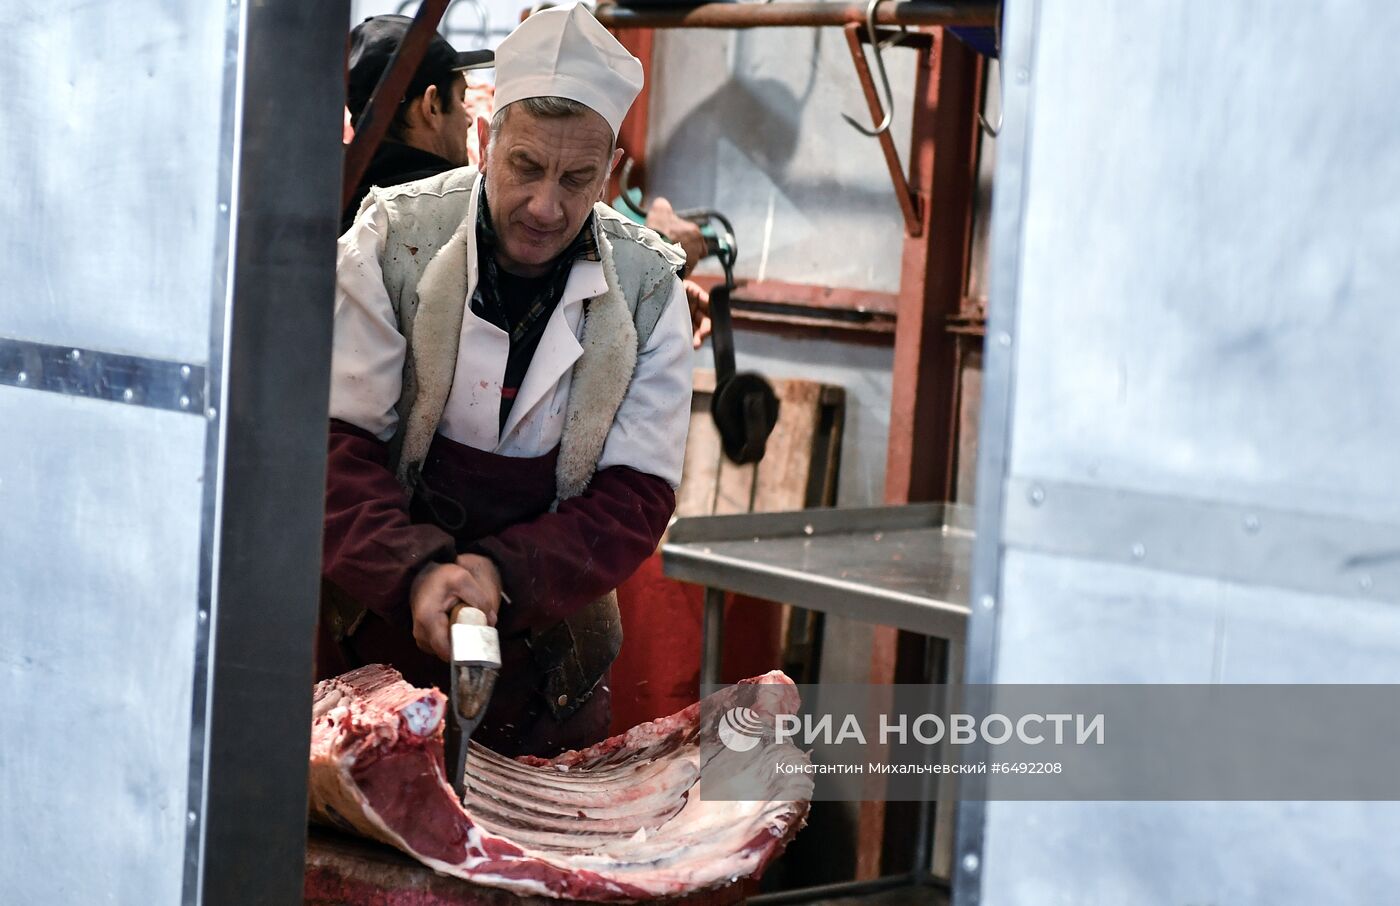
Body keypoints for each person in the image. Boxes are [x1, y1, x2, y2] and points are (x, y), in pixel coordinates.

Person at [319, 4, 693, 760]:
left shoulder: (652, 292)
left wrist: (499, 572)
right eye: (525, 166)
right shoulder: (393, 239)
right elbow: (332, 449)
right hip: (370, 644)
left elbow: (636, 497)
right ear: (485, 141)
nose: (546, 206)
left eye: (577, 176)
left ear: (611, 170)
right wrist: (418, 573)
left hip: (551, 668)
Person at [340, 15, 491, 232]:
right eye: (461, 98)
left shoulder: (330, 206)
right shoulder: (471, 211)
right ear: (431, 106)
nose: (468, 119)